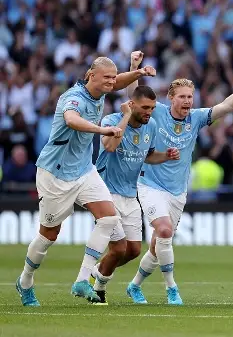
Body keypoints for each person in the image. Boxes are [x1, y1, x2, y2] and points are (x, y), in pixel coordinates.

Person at [16, 54, 155, 307]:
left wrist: (137, 73)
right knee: (49, 235)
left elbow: (119, 83)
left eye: (113, 78)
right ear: (91, 76)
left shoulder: (101, 90)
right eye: (106, 78)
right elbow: (72, 120)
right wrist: (103, 130)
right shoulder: (73, 98)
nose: (111, 83)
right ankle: (25, 281)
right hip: (55, 174)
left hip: (84, 170)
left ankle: (82, 280)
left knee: (109, 219)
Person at [126, 65, 233, 306]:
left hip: (178, 191)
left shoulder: (196, 118)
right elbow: (136, 98)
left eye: (190, 97)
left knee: (158, 245)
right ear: (171, 98)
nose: (187, 101)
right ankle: (172, 289)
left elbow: (226, 106)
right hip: (150, 185)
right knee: (164, 231)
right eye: (183, 97)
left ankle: (134, 286)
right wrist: (135, 70)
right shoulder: (157, 113)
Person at [89, 85, 180, 304]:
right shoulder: (111, 121)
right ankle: (99, 289)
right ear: (131, 105)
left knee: (133, 250)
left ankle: (97, 270)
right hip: (106, 193)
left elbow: (147, 156)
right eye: (145, 107)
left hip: (130, 194)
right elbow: (110, 146)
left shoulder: (152, 126)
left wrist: (165, 156)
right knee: (118, 248)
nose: (149, 112)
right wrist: (126, 117)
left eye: (152, 108)